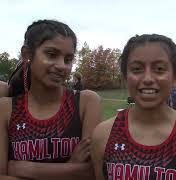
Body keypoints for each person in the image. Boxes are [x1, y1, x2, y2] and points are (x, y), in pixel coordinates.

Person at [91, 34, 176, 180]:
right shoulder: (103, 134)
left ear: (175, 76)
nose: (148, 79)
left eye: (159, 69)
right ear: (125, 77)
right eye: (137, 69)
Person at [0, 19, 102, 180]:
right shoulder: (6, 108)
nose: (62, 66)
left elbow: (91, 172)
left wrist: (25, 169)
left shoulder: (86, 102)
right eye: (51, 55)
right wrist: (70, 167)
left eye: (68, 59)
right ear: (27, 54)